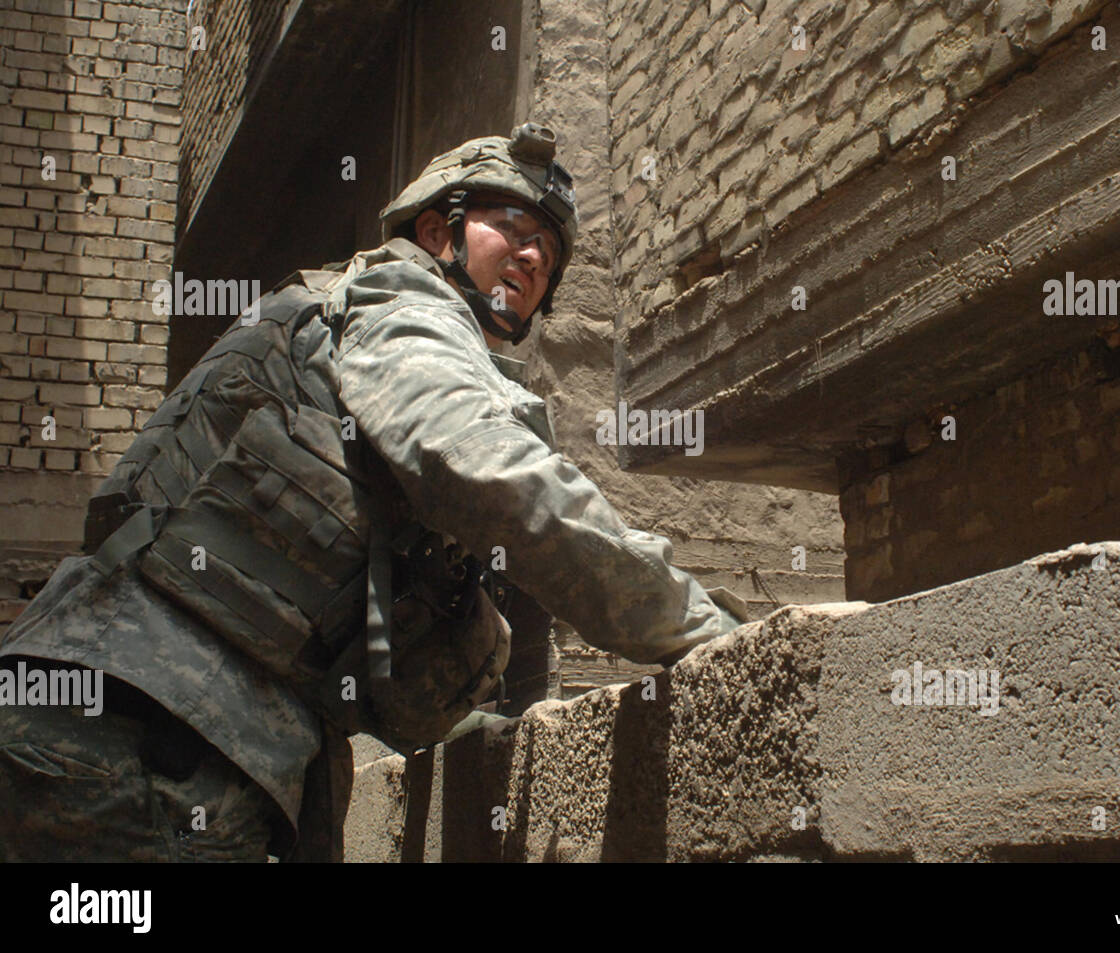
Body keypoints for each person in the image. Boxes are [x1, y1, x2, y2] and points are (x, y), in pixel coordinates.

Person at [0, 123, 748, 862]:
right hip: (145, 739)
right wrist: (701, 628)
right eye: (512, 227)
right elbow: (490, 474)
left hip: (138, 725)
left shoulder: (345, 308)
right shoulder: (404, 305)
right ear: (436, 229)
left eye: (548, 255)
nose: (531, 256)